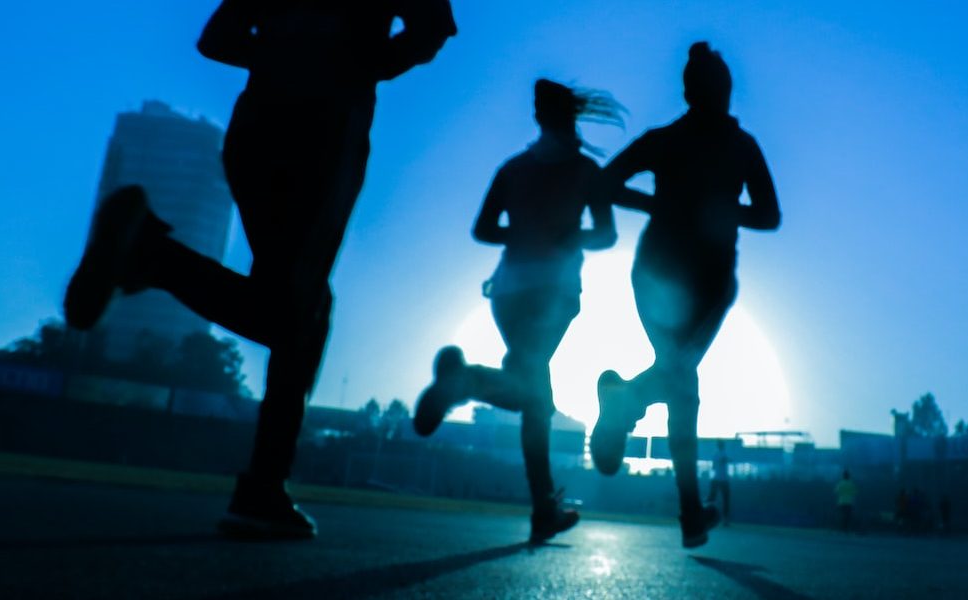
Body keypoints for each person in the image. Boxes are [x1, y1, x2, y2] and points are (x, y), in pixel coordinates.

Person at [62, 0, 456, 539]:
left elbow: (215, 38)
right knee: (299, 313)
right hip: (325, 130)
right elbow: (431, 30)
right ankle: (154, 257)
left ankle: (263, 487)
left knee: (302, 308)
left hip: (256, 129)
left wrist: (280, 57)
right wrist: (356, 65)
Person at [587, 41, 782, 549]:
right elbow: (768, 215)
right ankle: (689, 510)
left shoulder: (695, 142)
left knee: (679, 380)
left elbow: (769, 215)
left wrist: (679, 207)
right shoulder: (725, 146)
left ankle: (624, 405)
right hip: (683, 282)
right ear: (711, 91)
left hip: (693, 286)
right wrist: (676, 206)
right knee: (681, 381)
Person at [412, 79, 624, 543]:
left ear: (538, 118)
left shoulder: (513, 168)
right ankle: (466, 382)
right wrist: (568, 237)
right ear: (572, 117)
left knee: (535, 398)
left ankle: (543, 506)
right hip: (554, 294)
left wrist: (523, 234)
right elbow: (607, 236)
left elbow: (483, 229)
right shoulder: (587, 172)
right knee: (535, 399)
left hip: (507, 292)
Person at [707, 440, 732, 525]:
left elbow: (713, 467)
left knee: (712, 498)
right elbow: (727, 460)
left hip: (716, 479)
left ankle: (708, 517)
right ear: (723, 445)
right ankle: (725, 520)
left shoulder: (715, 455)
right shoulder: (725, 453)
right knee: (726, 500)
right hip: (724, 479)